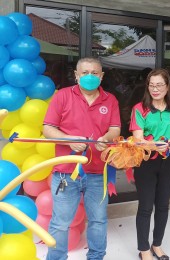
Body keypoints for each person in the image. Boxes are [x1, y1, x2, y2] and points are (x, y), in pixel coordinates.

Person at [43, 57, 121, 260]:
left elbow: (115, 129)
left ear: (102, 76)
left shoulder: (110, 99)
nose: (90, 76)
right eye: (85, 73)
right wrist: (68, 140)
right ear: (76, 76)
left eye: (94, 73)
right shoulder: (62, 96)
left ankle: (96, 257)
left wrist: (107, 138)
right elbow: (48, 128)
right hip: (65, 172)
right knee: (60, 222)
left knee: (99, 220)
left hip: (98, 172)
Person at [129, 68, 170, 260]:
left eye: (159, 84)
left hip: (168, 161)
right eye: (151, 85)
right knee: (145, 206)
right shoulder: (139, 108)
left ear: (167, 87)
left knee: (163, 205)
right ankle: (144, 249)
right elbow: (137, 138)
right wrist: (154, 145)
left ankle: (157, 244)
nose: (155, 89)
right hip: (146, 163)